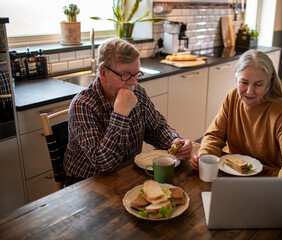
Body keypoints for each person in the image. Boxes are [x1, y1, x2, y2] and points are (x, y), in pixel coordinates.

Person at [63, 38, 192, 185]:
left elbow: (157, 128)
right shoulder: (83, 105)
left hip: (125, 173)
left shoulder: (137, 92)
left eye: (136, 74)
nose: (132, 82)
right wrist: (120, 115)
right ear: (103, 73)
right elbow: (102, 164)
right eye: (125, 75)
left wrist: (174, 141)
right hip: (86, 185)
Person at [190, 50, 282, 177]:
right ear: (236, 78)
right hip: (234, 175)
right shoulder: (232, 97)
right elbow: (214, 136)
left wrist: (281, 183)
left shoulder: (280, 110)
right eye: (244, 83)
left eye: (258, 84)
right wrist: (205, 155)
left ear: (269, 81)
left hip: (269, 180)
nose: (249, 91)